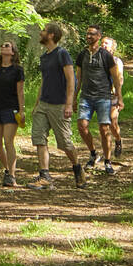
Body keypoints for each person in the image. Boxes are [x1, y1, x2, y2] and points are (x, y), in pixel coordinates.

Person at [28, 22, 84, 190]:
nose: (41, 33)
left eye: (44, 31)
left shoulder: (62, 54)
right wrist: (37, 103)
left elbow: (71, 80)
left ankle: (78, 168)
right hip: (43, 105)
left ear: (51, 35)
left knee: (64, 143)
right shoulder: (44, 56)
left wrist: (69, 104)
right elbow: (44, 80)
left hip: (59, 105)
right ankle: (45, 176)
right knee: (39, 138)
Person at [76, 26, 122, 174]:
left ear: (98, 36)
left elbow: (116, 77)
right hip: (86, 97)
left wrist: (119, 97)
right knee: (82, 127)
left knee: (104, 129)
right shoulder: (82, 54)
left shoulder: (106, 56)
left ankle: (108, 161)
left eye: (92, 34)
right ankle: (93, 153)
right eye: (87, 33)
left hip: (103, 97)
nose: (88, 36)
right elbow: (79, 78)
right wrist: (73, 98)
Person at [0, 40, 26, 187]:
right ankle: (7, 169)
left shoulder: (17, 70)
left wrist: (22, 110)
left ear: (12, 51)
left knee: (8, 142)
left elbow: (20, 91)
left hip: (10, 108)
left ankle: (12, 176)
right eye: (2, 45)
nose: (3, 47)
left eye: (7, 45)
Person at [104, 35, 126, 160]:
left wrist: (119, 95)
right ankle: (106, 153)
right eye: (102, 43)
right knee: (104, 126)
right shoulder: (97, 59)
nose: (103, 45)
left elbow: (119, 79)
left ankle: (118, 140)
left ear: (112, 47)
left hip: (113, 96)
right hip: (100, 96)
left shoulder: (117, 61)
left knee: (113, 122)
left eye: (106, 43)